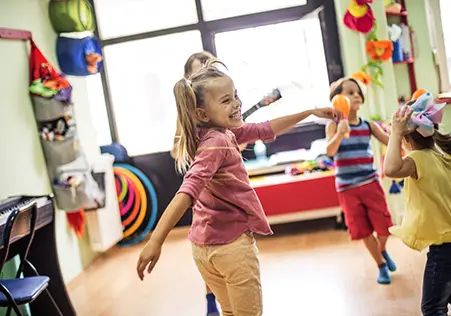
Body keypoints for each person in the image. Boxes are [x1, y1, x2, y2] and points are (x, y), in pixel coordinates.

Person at [137, 58, 340, 316]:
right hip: (230, 247)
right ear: (201, 113)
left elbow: (264, 128)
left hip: (203, 248)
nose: (236, 104)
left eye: (235, 96)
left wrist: (309, 112)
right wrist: (156, 241)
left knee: (230, 313)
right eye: (226, 101)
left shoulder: (212, 134)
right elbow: (187, 192)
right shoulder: (219, 142)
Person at [384, 91, 451, 316]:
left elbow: (391, 169)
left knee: (432, 307)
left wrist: (394, 131)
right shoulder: (443, 155)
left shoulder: (417, 160)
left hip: (444, 248)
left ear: (405, 138)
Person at [326, 77, 397, 284]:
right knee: (363, 231)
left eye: (357, 92)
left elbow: (390, 140)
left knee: (385, 228)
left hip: (370, 183)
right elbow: (330, 152)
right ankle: (381, 265)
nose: (356, 95)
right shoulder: (333, 126)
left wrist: (402, 130)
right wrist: (339, 134)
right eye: (349, 92)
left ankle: (381, 250)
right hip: (347, 189)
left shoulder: (368, 125)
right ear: (337, 99)